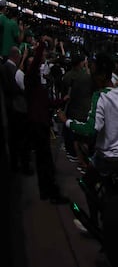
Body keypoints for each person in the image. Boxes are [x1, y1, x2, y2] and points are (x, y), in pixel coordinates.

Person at [57, 53, 118, 193]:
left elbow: (90, 129)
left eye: (93, 74)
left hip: (108, 157)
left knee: (87, 184)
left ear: (101, 76)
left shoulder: (100, 97)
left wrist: (66, 121)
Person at [26, 36, 69, 204]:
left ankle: (46, 191)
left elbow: (47, 103)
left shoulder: (35, 84)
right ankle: (52, 193)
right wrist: (42, 44)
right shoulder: (30, 79)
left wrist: (61, 101)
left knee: (43, 161)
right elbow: (36, 61)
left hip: (40, 123)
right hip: (38, 124)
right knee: (45, 162)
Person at [1, 46, 31, 174]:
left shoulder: (5, 67)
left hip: (10, 108)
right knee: (19, 139)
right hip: (16, 108)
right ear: (17, 56)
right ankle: (20, 166)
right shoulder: (12, 69)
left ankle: (15, 164)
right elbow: (14, 89)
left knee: (14, 139)